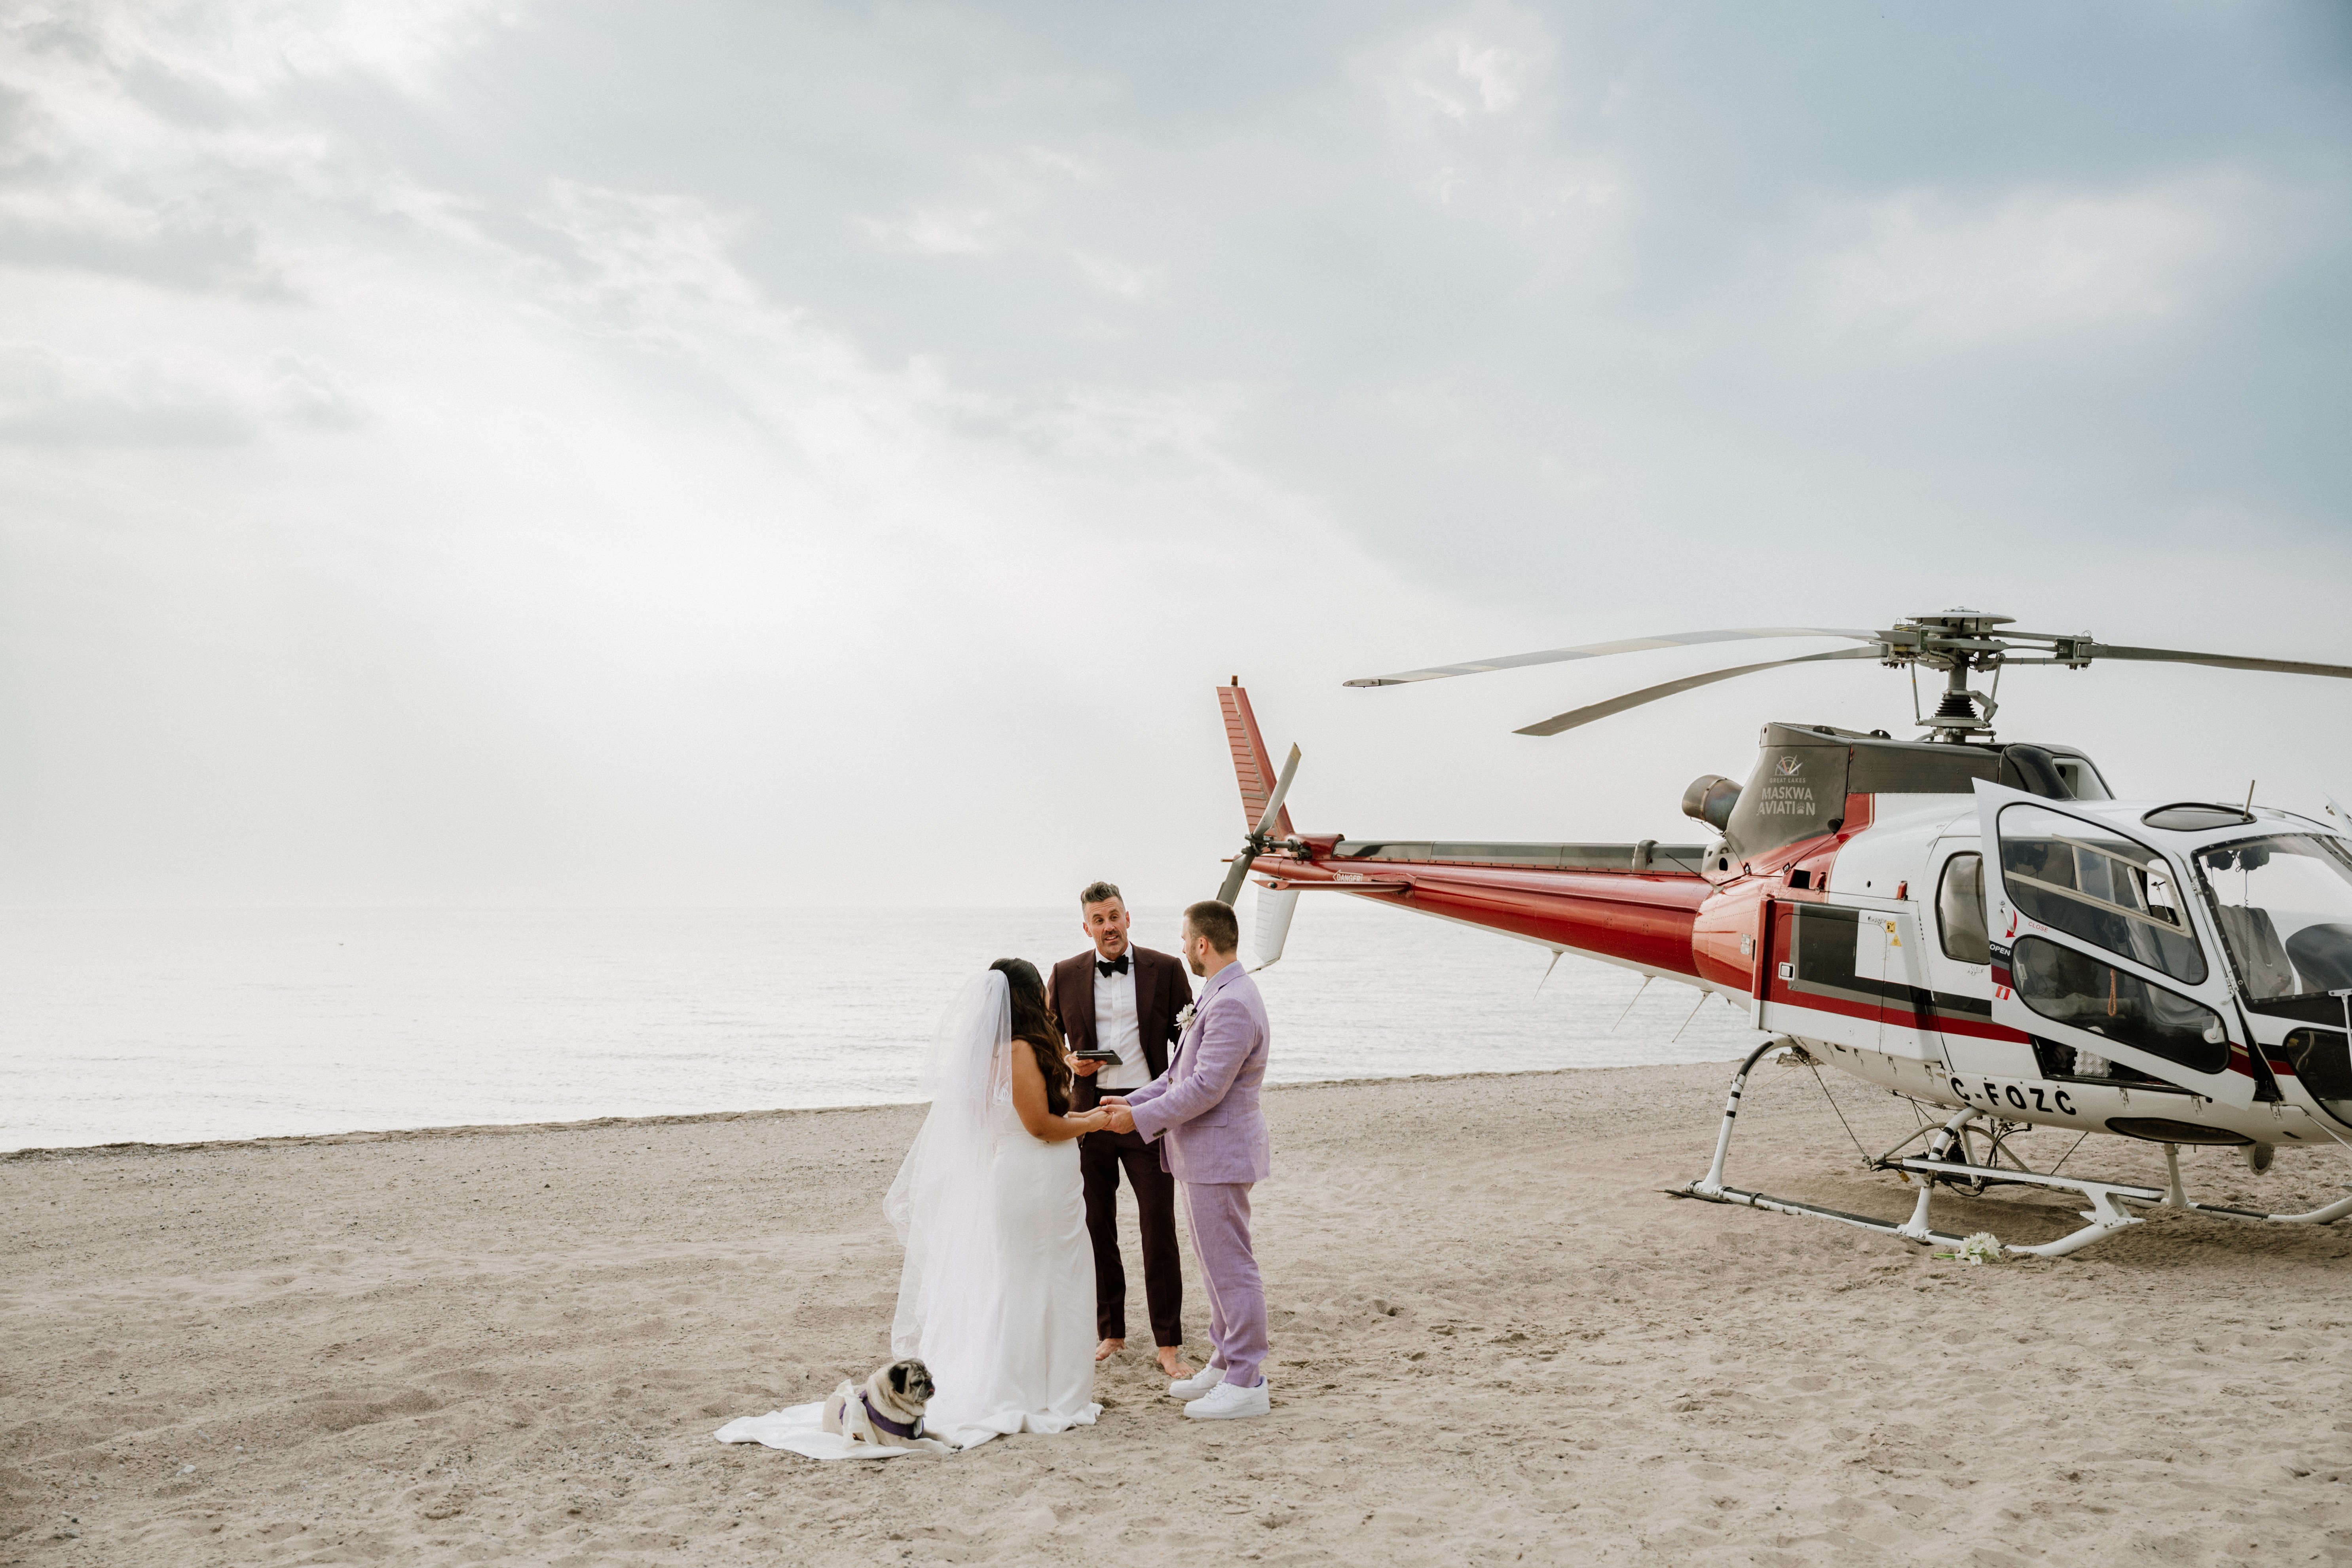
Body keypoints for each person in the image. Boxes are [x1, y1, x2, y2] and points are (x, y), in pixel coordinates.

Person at [882, 958, 1109, 1447]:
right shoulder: (1019, 1049)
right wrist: (1095, 1121)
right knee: (1044, 1280)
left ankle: (1040, 1388)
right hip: (1036, 1178)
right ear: (1031, 996)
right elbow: (1042, 1126)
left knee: (1039, 1279)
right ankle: (1031, 1393)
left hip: (1033, 1177)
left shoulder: (997, 1051)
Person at [1101, 899, 1274, 1421]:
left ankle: (1247, 1378)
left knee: (1231, 1266)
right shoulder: (1216, 995)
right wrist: (1129, 1102)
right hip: (1201, 1156)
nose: (1180, 945)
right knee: (1213, 1266)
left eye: (1184, 938)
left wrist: (1140, 1121)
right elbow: (1178, 1076)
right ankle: (1224, 1362)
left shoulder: (1232, 1003)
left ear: (1202, 943)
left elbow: (1204, 1089)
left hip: (1220, 1155)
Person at [1046, 881, 1196, 1378]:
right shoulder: (1065, 974)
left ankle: (1169, 1341)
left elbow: (1190, 1043)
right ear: (1086, 926)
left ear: (1128, 918)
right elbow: (1047, 1043)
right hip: (1089, 1118)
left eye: (1115, 916)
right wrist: (1070, 1062)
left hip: (1146, 1113)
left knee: (1158, 1226)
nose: (1108, 926)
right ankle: (1111, 1330)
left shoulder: (1168, 969)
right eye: (1098, 919)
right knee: (1096, 1227)